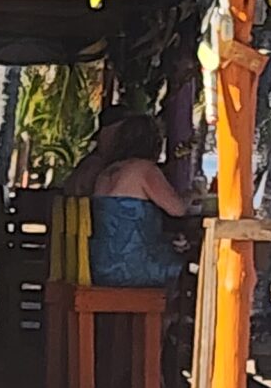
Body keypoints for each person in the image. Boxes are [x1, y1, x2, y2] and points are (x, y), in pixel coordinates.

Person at [72, 113, 192, 289]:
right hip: (132, 267)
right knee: (192, 263)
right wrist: (192, 195)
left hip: (99, 265)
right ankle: (180, 315)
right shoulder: (144, 169)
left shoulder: (106, 172)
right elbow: (178, 209)